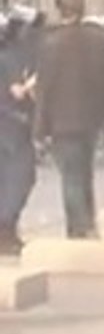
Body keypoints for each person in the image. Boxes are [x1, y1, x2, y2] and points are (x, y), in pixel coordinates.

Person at [33, 0, 104, 239]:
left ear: (60, 11)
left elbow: (45, 88)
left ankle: (79, 226)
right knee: (85, 171)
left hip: (61, 120)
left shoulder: (50, 44)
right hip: (93, 116)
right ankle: (88, 221)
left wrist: (40, 128)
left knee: (71, 175)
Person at [0, 15, 37, 255]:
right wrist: (34, 84)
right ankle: (6, 230)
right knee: (21, 176)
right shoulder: (9, 60)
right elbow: (18, 92)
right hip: (11, 127)